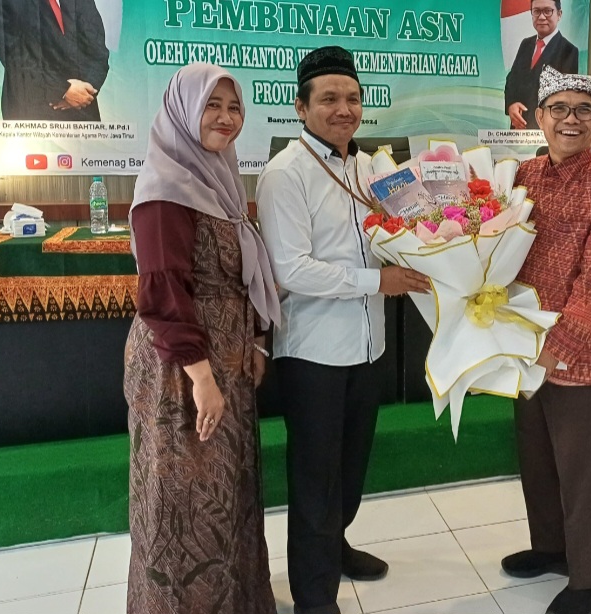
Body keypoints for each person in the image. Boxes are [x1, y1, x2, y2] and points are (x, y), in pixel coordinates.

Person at [255, 46, 430, 614]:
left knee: (351, 465)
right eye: (329, 98)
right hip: (314, 352)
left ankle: (336, 545)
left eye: (352, 98)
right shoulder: (286, 173)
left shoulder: (368, 167)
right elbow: (291, 269)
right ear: (300, 107)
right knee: (316, 477)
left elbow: (401, 230)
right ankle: (314, 596)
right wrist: (377, 281)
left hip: (368, 345)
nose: (343, 109)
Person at [124, 63, 281, 614]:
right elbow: (163, 290)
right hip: (181, 368)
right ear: (183, 111)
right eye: (212, 105)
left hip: (225, 361)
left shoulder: (220, 181)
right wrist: (202, 378)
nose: (226, 118)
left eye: (234, 107)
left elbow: (242, 274)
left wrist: (254, 341)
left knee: (226, 490)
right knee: (182, 498)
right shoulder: (164, 191)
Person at [499, 66, 591, 614]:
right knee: (537, 458)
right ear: (540, 116)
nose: (570, 120)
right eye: (559, 108)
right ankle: (551, 548)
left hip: (576, 354)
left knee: (582, 472)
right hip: (522, 342)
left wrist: (556, 349)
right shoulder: (523, 173)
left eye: (583, 110)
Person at [0, 0, 110, 121]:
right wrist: (62, 90)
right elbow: (12, 56)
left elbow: (98, 50)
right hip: (32, 110)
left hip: (82, 108)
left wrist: (85, 91)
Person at [504, 0, 580, 129]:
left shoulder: (568, 51)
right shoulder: (525, 44)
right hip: (518, 129)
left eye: (547, 11)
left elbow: (564, 97)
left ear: (559, 14)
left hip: (546, 132)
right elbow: (512, 80)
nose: (542, 17)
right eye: (536, 11)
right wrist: (511, 104)